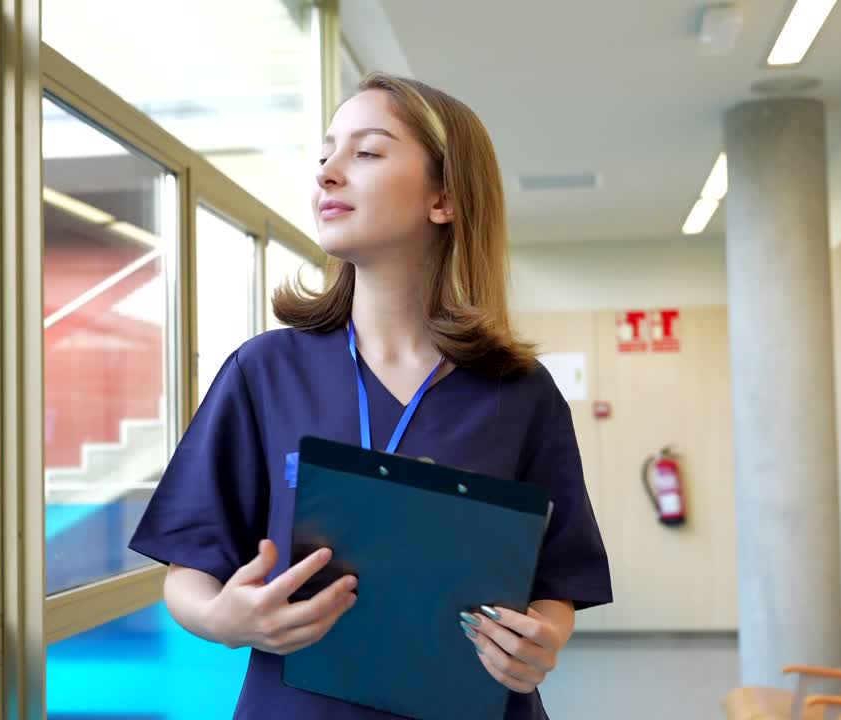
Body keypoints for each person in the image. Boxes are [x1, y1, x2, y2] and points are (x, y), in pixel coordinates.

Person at [129, 72, 612, 719]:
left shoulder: (518, 392)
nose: (328, 173)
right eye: (326, 153)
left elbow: (558, 580)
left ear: (444, 197)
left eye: (367, 152)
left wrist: (542, 639)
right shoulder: (263, 372)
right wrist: (225, 620)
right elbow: (188, 567)